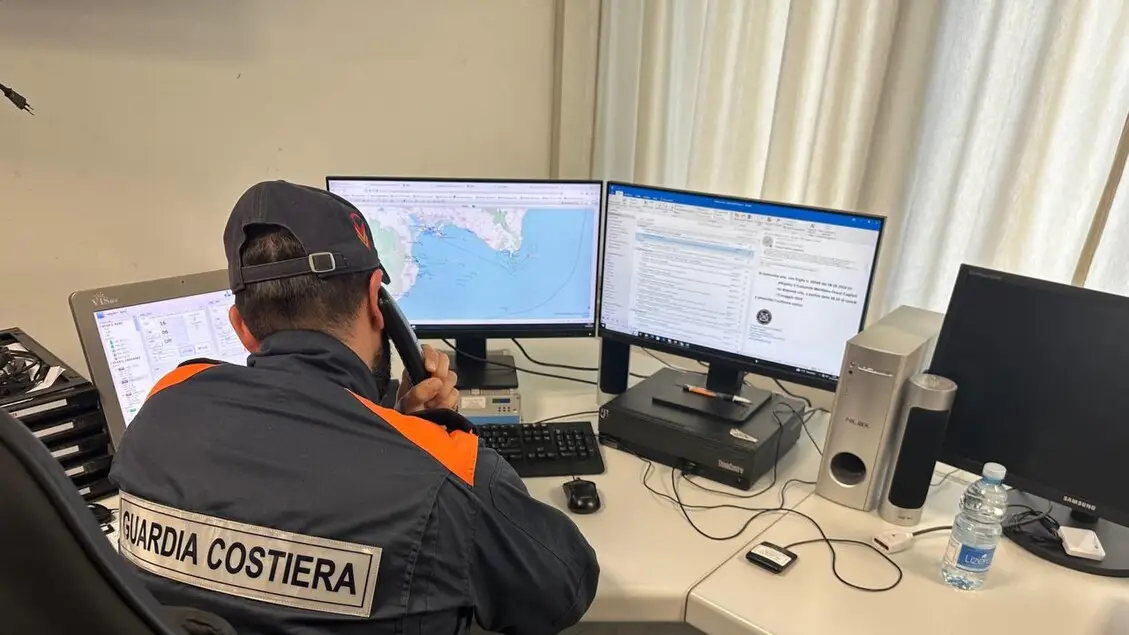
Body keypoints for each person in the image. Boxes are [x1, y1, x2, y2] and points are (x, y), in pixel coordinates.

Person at [110, 181, 599, 635]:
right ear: (374, 301)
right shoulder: (443, 476)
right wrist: (437, 440)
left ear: (241, 327)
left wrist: (394, 425)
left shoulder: (157, 413)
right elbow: (564, 588)